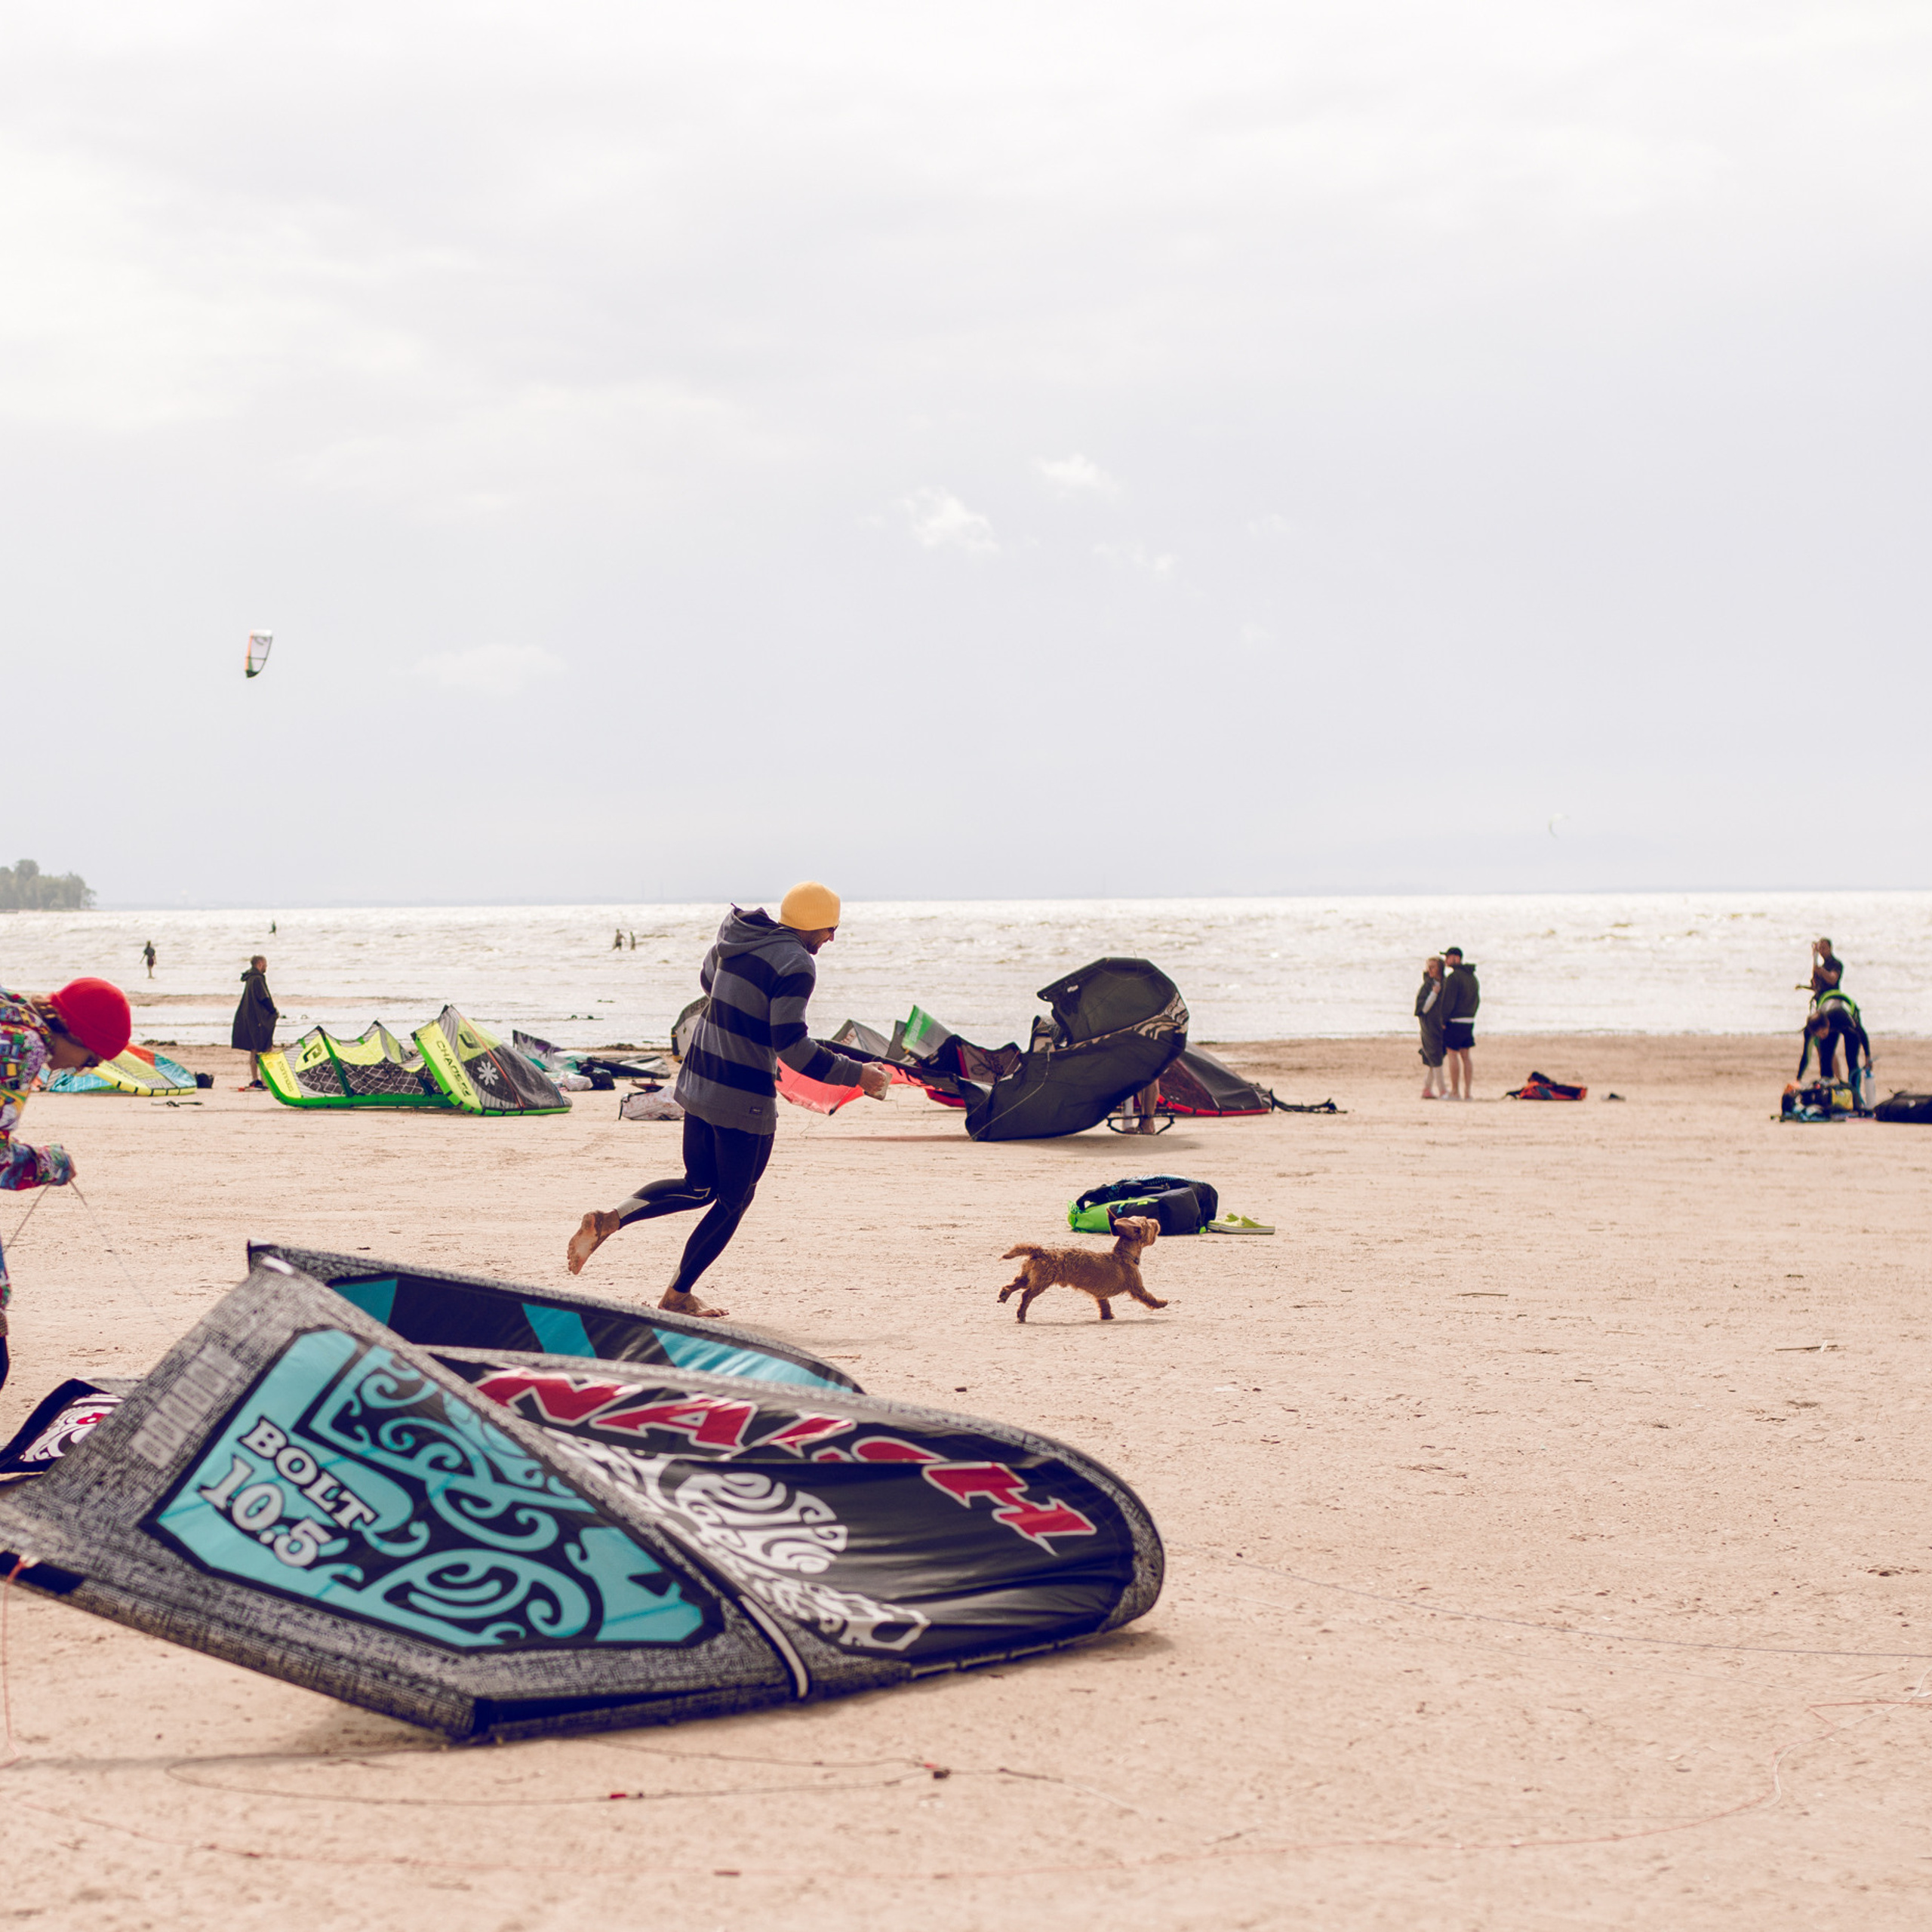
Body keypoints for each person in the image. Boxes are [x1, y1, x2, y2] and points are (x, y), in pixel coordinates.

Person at [566, 881, 889, 1317]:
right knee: (734, 1200)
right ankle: (678, 1295)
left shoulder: (734, 936)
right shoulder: (796, 964)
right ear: (813, 925)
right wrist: (859, 1075)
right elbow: (793, 1047)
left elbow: (707, 982)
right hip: (743, 1096)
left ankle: (609, 1221)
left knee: (697, 1186)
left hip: (698, 1079)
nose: (832, 938)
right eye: (830, 929)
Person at [0, 979, 132, 1390]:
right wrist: (49, 1163)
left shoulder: (10, 1012)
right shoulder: (23, 1046)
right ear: (76, 1034)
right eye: (91, 1060)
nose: (80, 1069)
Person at [1798, 986, 1870, 1091]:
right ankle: (1829, 1093)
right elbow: (1806, 1055)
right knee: (1825, 1060)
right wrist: (1798, 1077)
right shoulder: (1810, 1029)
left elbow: (1861, 1032)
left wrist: (1867, 1056)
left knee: (1851, 1059)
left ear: (1827, 1024)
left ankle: (1855, 1093)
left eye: (1822, 1033)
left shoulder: (1840, 1016)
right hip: (1829, 1020)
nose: (1821, 1037)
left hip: (1848, 1023)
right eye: (1818, 1036)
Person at [232, 954, 278, 1089]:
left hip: (249, 1018)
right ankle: (264, 1081)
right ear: (260, 964)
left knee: (254, 1049)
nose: (266, 967)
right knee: (266, 1048)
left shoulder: (249, 978)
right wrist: (273, 1011)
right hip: (259, 1019)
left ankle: (255, 1079)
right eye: (265, 965)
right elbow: (264, 998)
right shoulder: (257, 979)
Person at [1441, 946, 1480, 1099]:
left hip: (1455, 1021)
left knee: (1453, 1055)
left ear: (1456, 958)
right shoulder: (1472, 977)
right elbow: (1477, 1000)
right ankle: (1468, 1092)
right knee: (1466, 1056)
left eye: (1448, 957)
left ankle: (1455, 1091)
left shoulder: (1454, 978)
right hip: (1469, 1020)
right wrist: (1471, 1014)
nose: (1446, 961)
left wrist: (1443, 1020)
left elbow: (1448, 1001)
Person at [1415, 955, 1447, 1097]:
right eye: (1428, 967)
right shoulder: (1428, 986)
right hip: (1428, 1026)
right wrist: (1434, 993)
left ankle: (1426, 1089)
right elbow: (1423, 1009)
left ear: (1440, 968)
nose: (1430, 970)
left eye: (1433, 967)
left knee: (1435, 1057)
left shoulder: (1446, 983)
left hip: (1441, 1026)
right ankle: (1443, 1090)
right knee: (1435, 1057)